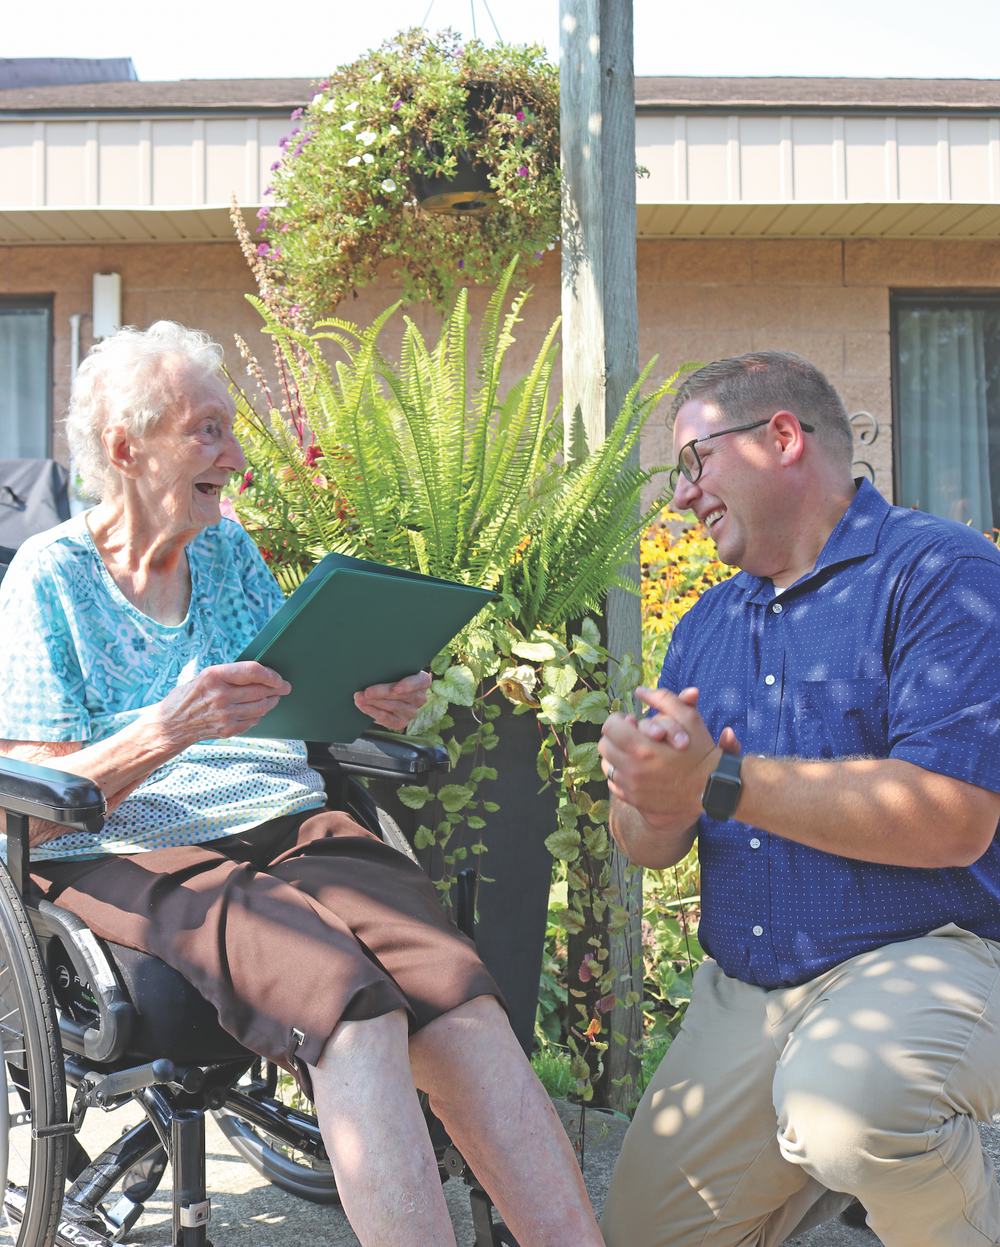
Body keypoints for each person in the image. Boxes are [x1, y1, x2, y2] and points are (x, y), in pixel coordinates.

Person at [0, 321, 605, 1247]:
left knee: (462, 1000)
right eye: (209, 431)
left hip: (281, 815)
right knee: (350, 1004)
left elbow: (286, 696)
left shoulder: (229, 556)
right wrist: (170, 727)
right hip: (127, 841)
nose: (236, 458)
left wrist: (366, 697)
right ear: (127, 448)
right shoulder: (52, 578)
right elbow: (32, 804)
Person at [598, 350, 1000, 1247]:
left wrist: (720, 780)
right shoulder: (705, 625)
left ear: (781, 437)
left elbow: (952, 816)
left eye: (693, 462)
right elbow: (649, 844)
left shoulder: (942, 573)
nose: (678, 496)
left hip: (938, 954)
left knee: (850, 1109)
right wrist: (646, 789)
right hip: (749, 994)